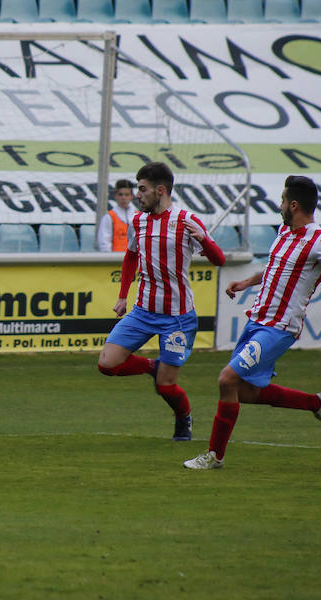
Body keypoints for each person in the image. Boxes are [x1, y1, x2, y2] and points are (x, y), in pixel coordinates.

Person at [183, 175, 321, 470]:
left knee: (226, 379)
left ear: (294, 205)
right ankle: (318, 403)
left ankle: (215, 456)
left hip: (279, 328)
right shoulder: (284, 232)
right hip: (258, 321)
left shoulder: (318, 242)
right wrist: (246, 281)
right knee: (241, 391)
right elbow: (275, 267)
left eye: (284, 201)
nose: (280, 205)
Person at [97, 162, 226, 441]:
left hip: (177, 317)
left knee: (166, 387)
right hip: (143, 311)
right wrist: (122, 296)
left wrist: (205, 241)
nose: (137, 195)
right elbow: (131, 255)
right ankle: (151, 366)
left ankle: (183, 418)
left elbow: (220, 260)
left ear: (160, 190)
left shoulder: (186, 220)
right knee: (107, 364)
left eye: (142, 190)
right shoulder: (138, 221)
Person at [96, 179, 138, 252]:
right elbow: (104, 242)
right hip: (116, 258)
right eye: (120, 194)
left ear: (131, 196)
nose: (123, 198)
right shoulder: (109, 217)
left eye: (127, 195)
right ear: (115, 196)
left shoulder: (137, 215)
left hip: (134, 259)